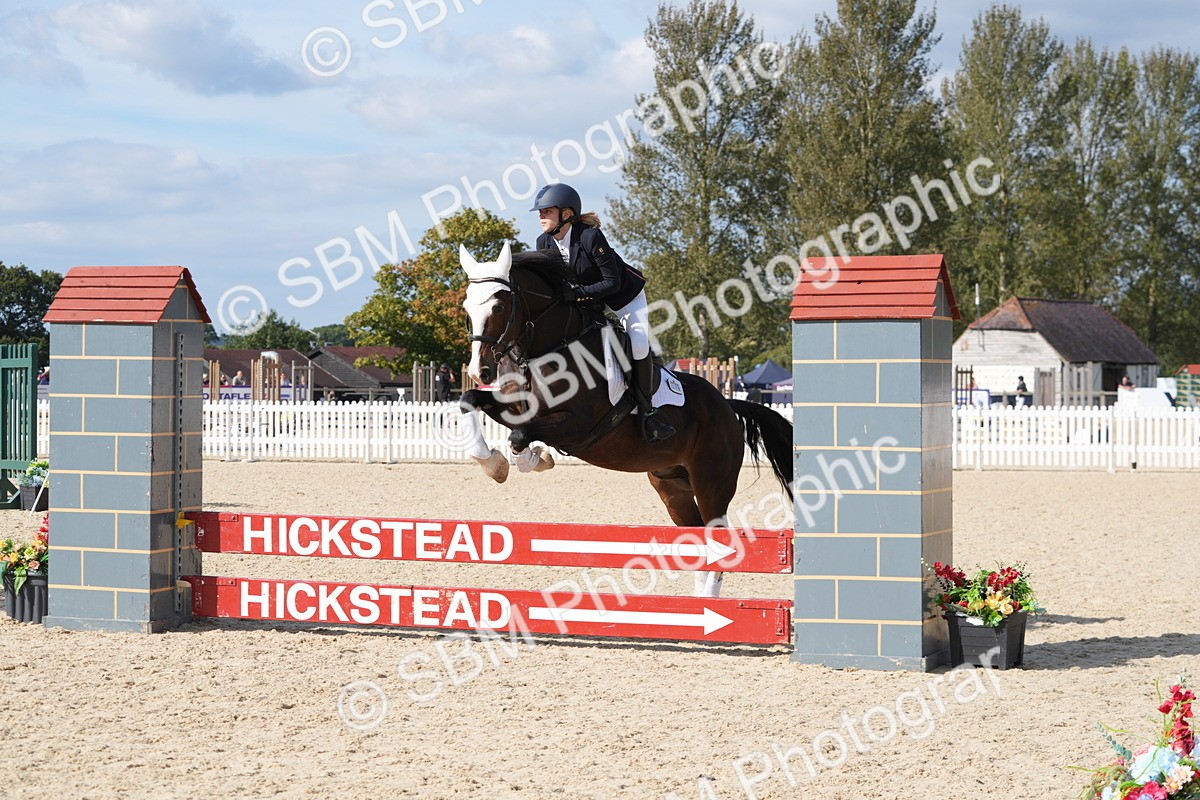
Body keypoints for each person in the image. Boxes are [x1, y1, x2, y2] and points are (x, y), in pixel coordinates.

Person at [531, 182, 675, 444]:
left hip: (623, 297)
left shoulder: (590, 237)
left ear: (566, 214)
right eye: (540, 212)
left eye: (547, 211)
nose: (541, 217)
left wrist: (575, 294)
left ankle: (648, 411)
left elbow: (612, 283)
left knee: (640, 344)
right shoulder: (543, 242)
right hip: (589, 302)